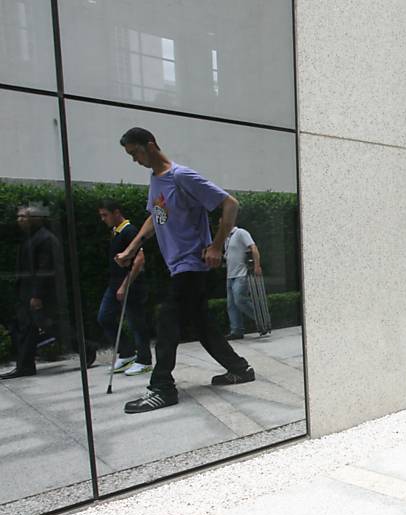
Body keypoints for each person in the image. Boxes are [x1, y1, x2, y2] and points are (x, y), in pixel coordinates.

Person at [115, 127, 254, 414]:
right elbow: (155, 217)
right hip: (177, 266)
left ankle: (162, 388)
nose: (134, 160)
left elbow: (230, 204)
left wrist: (216, 246)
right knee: (201, 323)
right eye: (130, 155)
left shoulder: (181, 176)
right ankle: (240, 369)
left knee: (167, 320)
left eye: (135, 153)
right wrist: (132, 249)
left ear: (150, 145)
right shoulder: (156, 180)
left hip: (192, 264)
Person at [1, 205, 85, 379]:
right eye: (19, 217)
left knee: (51, 326)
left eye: (23, 217)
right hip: (27, 292)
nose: (19, 220)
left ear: (35, 219)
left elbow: (45, 269)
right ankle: (25, 366)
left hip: (38, 294)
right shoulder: (31, 238)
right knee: (27, 329)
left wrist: (37, 295)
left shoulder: (45, 239)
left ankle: (86, 347)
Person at [97, 201, 152, 376]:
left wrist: (124, 286)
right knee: (104, 317)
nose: (103, 219)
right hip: (114, 283)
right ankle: (127, 352)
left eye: (105, 215)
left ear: (116, 213)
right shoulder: (116, 232)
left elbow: (139, 260)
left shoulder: (129, 231)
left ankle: (144, 360)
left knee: (136, 322)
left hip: (131, 284)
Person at [223, 225, 263, 340]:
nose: (220, 225)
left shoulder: (240, 232)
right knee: (231, 305)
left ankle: (261, 320)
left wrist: (257, 266)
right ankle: (236, 331)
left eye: (222, 223)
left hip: (241, 274)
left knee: (239, 300)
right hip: (230, 275)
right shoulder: (227, 238)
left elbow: (253, 247)